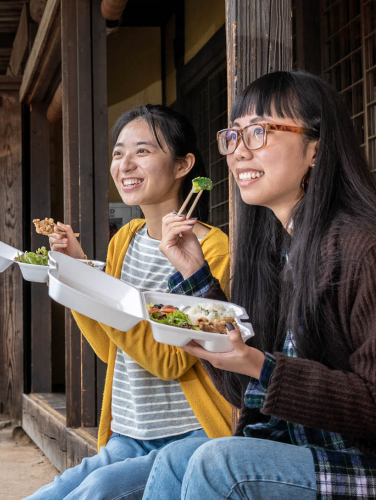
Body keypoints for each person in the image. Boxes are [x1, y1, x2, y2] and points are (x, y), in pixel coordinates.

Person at [143, 71, 376, 500]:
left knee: (219, 464)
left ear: (315, 148)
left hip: (360, 461)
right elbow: (243, 390)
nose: (239, 152)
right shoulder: (274, 250)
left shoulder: (361, 248)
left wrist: (261, 367)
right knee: (176, 459)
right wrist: (196, 278)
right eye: (233, 136)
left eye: (259, 132)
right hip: (298, 448)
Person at [26, 105, 233, 500]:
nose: (125, 164)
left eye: (142, 151)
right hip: (130, 431)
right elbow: (112, 350)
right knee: (51, 494)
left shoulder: (213, 250)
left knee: (98, 491)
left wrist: (96, 287)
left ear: (182, 165)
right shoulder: (127, 239)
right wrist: (79, 273)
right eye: (119, 153)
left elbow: (169, 360)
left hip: (190, 434)